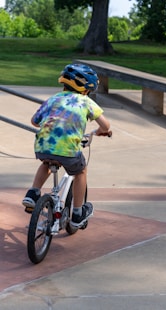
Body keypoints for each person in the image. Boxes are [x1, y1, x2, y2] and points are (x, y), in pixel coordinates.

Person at [22, 63, 111, 228]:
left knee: (47, 163)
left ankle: (33, 193)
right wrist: (100, 131)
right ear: (86, 89)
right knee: (81, 171)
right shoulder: (85, 101)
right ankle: (77, 212)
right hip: (68, 150)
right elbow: (106, 125)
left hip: (43, 146)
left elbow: (34, 121)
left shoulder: (53, 98)